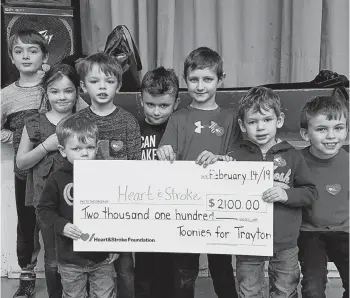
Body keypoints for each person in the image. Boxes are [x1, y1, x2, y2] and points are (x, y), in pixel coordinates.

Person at [202, 86, 317, 298]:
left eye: (267, 120)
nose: (260, 127)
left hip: (285, 243)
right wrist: (218, 166)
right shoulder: (235, 156)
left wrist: (287, 195)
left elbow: (310, 193)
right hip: (248, 241)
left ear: (279, 120)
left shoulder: (292, 156)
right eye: (253, 122)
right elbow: (221, 192)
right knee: (249, 290)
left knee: (285, 289)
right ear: (242, 125)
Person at [157, 47, 240, 298]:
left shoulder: (229, 119)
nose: (200, 86)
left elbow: (237, 160)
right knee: (184, 270)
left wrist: (221, 159)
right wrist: (165, 153)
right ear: (185, 80)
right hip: (185, 206)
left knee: (222, 268)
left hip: (218, 207)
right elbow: (166, 151)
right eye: (194, 79)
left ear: (220, 80)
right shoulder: (178, 118)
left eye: (208, 79)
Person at [75, 52, 141, 298]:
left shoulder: (128, 122)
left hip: (121, 207)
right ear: (83, 85)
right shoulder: (77, 121)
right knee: (91, 268)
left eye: (109, 81)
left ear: (119, 85)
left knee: (125, 268)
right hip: (89, 208)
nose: (102, 86)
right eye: (94, 81)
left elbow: (136, 166)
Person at [15, 64, 82, 298]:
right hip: (46, 202)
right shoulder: (33, 121)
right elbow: (21, 163)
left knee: (80, 255)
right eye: (55, 91)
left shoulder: (83, 120)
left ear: (77, 91)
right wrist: (46, 146)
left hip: (79, 200)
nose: (62, 97)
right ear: (45, 92)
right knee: (52, 256)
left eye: (68, 90)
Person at [37, 115, 118, 298]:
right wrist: (61, 225)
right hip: (70, 258)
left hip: (102, 257)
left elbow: (115, 214)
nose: (84, 153)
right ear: (63, 150)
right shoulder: (56, 179)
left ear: (97, 148)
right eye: (76, 149)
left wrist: (115, 244)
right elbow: (44, 210)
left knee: (105, 294)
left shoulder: (107, 176)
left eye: (90, 147)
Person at [135, 66, 180, 298]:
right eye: (150, 104)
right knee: (143, 268)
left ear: (176, 102)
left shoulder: (180, 129)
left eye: (164, 106)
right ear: (140, 99)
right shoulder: (133, 128)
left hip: (173, 212)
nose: (155, 111)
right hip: (141, 212)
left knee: (169, 270)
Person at [298, 95, 349, 298]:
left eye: (338, 128)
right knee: (313, 287)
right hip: (309, 232)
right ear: (305, 133)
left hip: (345, 231)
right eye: (321, 129)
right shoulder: (295, 161)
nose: (331, 136)